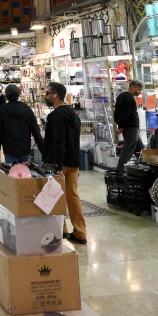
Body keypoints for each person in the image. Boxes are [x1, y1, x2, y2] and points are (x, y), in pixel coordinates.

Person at [44, 81, 87, 244]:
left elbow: (59, 142)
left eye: (47, 93)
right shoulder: (73, 114)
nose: (46, 96)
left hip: (60, 163)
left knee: (54, 197)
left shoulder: (56, 116)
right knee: (73, 196)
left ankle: (60, 230)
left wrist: (58, 165)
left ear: (55, 95)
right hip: (74, 161)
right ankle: (80, 232)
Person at [0, 84, 44, 164]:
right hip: (24, 147)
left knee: (12, 173)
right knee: (24, 173)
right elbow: (35, 130)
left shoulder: (1, 110)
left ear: (6, 95)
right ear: (18, 94)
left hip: (9, 147)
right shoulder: (27, 109)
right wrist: (43, 148)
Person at [115, 80, 144, 172]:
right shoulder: (129, 98)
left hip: (130, 127)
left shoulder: (121, 96)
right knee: (128, 148)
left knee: (140, 149)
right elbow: (125, 113)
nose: (140, 92)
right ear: (133, 88)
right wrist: (120, 126)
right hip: (130, 127)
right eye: (139, 89)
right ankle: (120, 170)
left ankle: (143, 167)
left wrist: (119, 125)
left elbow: (117, 113)